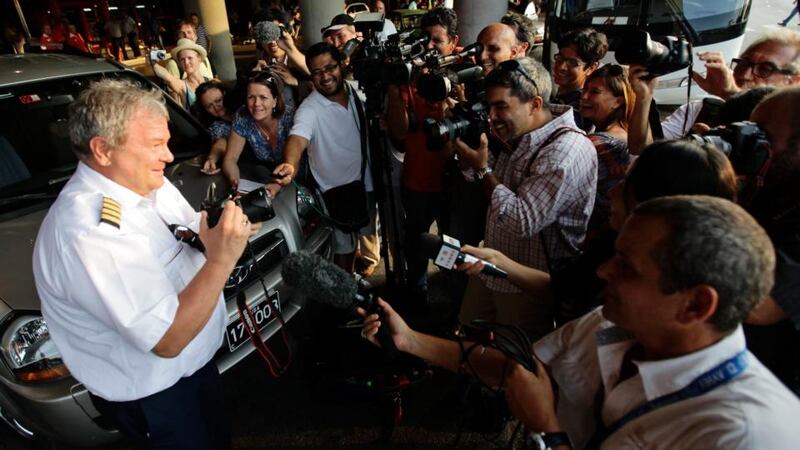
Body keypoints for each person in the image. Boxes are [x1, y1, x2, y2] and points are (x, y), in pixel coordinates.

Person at [361, 195, 800, 449]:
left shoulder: (749, 434)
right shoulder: (605, 324)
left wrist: (548, 433)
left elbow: (534, 400)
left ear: (695, 305)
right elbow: (517, 370)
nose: (604, 272)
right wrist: (412, 341)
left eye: (626, 267)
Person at [32, 79, 258, 449]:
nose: (168, 157)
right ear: (102, 150)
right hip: (158, 397)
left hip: (195, 371)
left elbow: (191, 240)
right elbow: (167, 340)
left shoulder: (146, 182)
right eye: (155, 145)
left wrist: (223, 233)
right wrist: (223, 258)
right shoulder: (90, 231)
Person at [459, 140, 737, 323]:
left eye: (627, 188)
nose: (612, 192)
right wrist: (498, 261)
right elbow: (564, 287)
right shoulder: (611, 243)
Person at [454, 56, 597, 339]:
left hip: (528, 284)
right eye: (489, 106)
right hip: (490, 267)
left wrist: (482, 169)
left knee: (514, 362)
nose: (491, 116)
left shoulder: (564, 150)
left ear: (534, 104)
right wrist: (467, 151)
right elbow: (478, 178)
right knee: (470, 342)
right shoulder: (519, 130)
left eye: (501, 106)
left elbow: (521, 221)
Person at [268, 43, 376, 274]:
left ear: (342, 65)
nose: (325, 76)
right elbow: (298, 138)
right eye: (317, 72)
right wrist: (290, 164)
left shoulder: (359, 92)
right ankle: (344, 301)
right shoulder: (310, 109)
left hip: (366, 186)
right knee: (343, 254)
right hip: (335, 195)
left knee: (363, 239)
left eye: (330, 68)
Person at [385, 7, 461, 302]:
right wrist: (395, 87)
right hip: (416, 180)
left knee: (450, 243)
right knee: (415, 240)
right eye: (425, 39)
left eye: (438, 40)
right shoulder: (410, 80)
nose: (429, 46)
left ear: (454, 42)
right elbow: (400, 134)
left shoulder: (462, 74)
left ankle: (450, 290)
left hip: (453, 183)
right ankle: (417, 290)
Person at [628, 28, 800, 154]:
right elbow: (641, 150)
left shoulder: (792, 134)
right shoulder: (700, 110)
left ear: (794, 81)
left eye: (765, 69)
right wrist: (644, 97)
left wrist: (731, 95)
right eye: (744, 63)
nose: (746, 75)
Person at [743, 86, 800, 394]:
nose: (753, 143)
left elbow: (758, 305)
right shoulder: (778, 182)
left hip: (774, 385)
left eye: (762, 135)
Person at [578, 64, 635, 233]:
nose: (584, 96)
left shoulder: (600, 143)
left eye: (594, 92)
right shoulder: (626, 134)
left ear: (618, 101)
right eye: (585, 89)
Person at [222, 72, 294, 188]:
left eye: (263, 97)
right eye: (251, 97)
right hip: (269, 179)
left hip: (296, 177)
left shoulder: (290, 118)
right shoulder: (242, 117)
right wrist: (235, 182)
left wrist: (278, 185)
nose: (256, 104)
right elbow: (230, 159)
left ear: (275, 101)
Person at [551, 28, 608, 131]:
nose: (561, 67)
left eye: (573, 63)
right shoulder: (563, 95)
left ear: (591, 68)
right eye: (560, 58)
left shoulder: (580, 109)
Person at [150, 38, 212, 110]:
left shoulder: (211, 82)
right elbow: (161, 72)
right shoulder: (182, 86)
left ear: (199, 59)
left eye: (190, 58)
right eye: (182, 59)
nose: (186, 62)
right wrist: (153, 56)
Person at [194, 81, 235, 176]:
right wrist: (211, 159)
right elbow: (220, 143)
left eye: (218, 100)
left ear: (225, 94)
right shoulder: (215, 127)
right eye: (209, 106)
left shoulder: (244, 109)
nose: (216, 107)